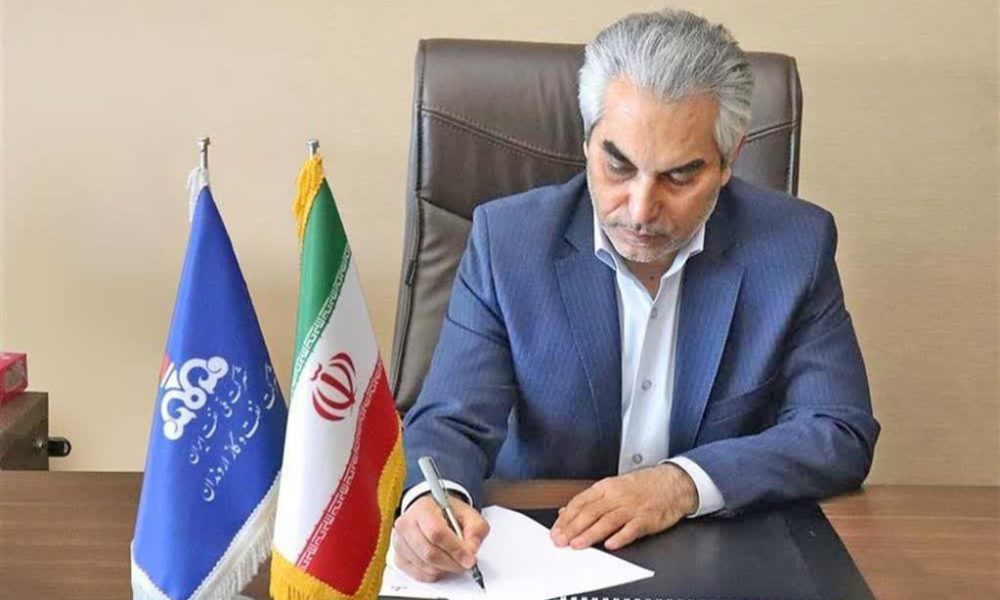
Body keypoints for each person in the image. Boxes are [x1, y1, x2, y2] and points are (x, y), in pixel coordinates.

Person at [391, 8, 880, 583]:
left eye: (679, 176)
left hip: (719, 556)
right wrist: (433, 502)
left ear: (729, 159)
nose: (641, 209)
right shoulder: (508, 242)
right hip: (542, 553)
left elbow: (837, 430)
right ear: (587, 140)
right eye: (618, 166)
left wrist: (682, 483)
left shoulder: (795, 246)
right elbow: (451, 422)